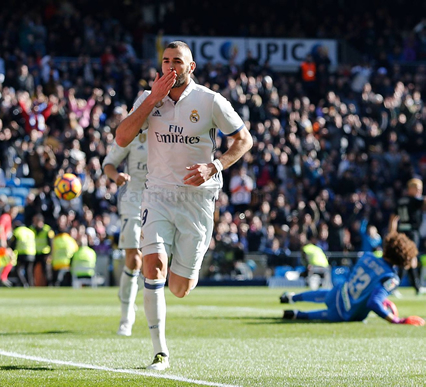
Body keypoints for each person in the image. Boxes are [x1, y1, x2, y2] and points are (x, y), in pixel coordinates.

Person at [115, 40, 253, 370]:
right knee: (153, 268)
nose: (170, 66)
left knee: (179, 288)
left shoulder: (210, 101)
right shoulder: (149, 99)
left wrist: (215, 166)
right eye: (165, 61)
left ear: (191, 67)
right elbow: (121, 138)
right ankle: (159, 352)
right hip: (158, 194)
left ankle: (186, 272)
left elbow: (244, 139)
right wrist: (150, 100)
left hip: (197, 200)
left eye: (177, 61)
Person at [280, 216, 425, 326]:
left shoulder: (367, 257)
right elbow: (374, 302)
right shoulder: (391, 278)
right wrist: (396, 320)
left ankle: (292, 298)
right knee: (322, 315)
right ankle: (296, 314)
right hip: (346, 311)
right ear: (403, 258)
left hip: (339, 292)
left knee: (324, 295)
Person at [102, 127, 148, 337]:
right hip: (133, 200)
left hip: (164, 201)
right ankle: (126, 317)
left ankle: (127, 291)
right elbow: (108, 164)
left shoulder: (172, 128)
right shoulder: (133, 132)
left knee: (155, 262)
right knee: (134, 258)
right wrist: (116, 175)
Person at [396, 178, 426, 294]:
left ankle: (416, 286)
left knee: (411, 259)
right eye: (418, 189)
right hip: (412, 233)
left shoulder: (401, 201)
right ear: (411, 189)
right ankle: (394, 283)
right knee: (408, 259)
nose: (419, 191)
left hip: (402, 232)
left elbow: (393, 218)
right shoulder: (414, 200)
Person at [9, 220, 36, 287]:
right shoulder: (30, 231)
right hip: (32, 253)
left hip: (22, 253)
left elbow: (13, 244)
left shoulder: (17, 231)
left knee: (17, 270)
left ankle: (23, 284)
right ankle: (31, 285)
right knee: (29, 271)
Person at [30, 213, 54, 286]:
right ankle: (31, 285)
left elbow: (51, 244)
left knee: (47, 271)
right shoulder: (31, 229)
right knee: (31, 270)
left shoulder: (47, 230)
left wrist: (50, 255)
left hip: (45, 253)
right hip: (34, 253)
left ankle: (49, 285)